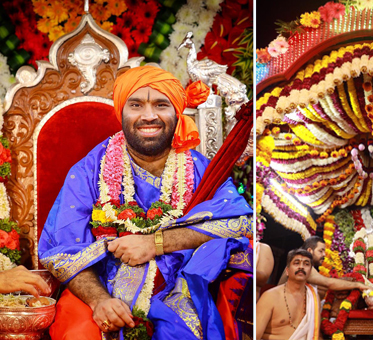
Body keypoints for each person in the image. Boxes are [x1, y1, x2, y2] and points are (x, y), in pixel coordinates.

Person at [38, 66, 253, 339]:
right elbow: (60, 249)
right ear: (122, 112)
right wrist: (99, 300)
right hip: (99, 283)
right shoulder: (90, 169)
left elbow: (237, 223)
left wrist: (156, 244)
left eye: (161, 105)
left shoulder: (201, 171)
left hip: (177, 286)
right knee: (80, 330)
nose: (149, 116)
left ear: (176, 112)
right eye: (136, 105)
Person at [256, 249, 319, 340]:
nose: (301, 267)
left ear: (310, 272)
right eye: (296, 263)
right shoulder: (270, 297)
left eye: (306, 264)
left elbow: (315, 333)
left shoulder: (313, 298)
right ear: (287, 271)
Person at [278, 236, 367, 295]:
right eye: (321, 251)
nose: (324, 255)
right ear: (310, 251)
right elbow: (329, 283)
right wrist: (357, 285)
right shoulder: (302, 268)